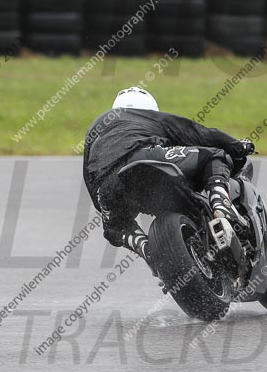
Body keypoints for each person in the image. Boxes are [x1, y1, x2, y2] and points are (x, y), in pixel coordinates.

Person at [82, 86, 254, 263]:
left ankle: (146, 248)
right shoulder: (148, 117)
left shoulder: (94, 131)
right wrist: (238, 147)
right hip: (144, 157)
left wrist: (106, 207)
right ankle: (220, 204)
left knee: (116, 227)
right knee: (214, 155)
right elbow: (199, 133)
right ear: (150, 109)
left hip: (107, 185)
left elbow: (89, 178)